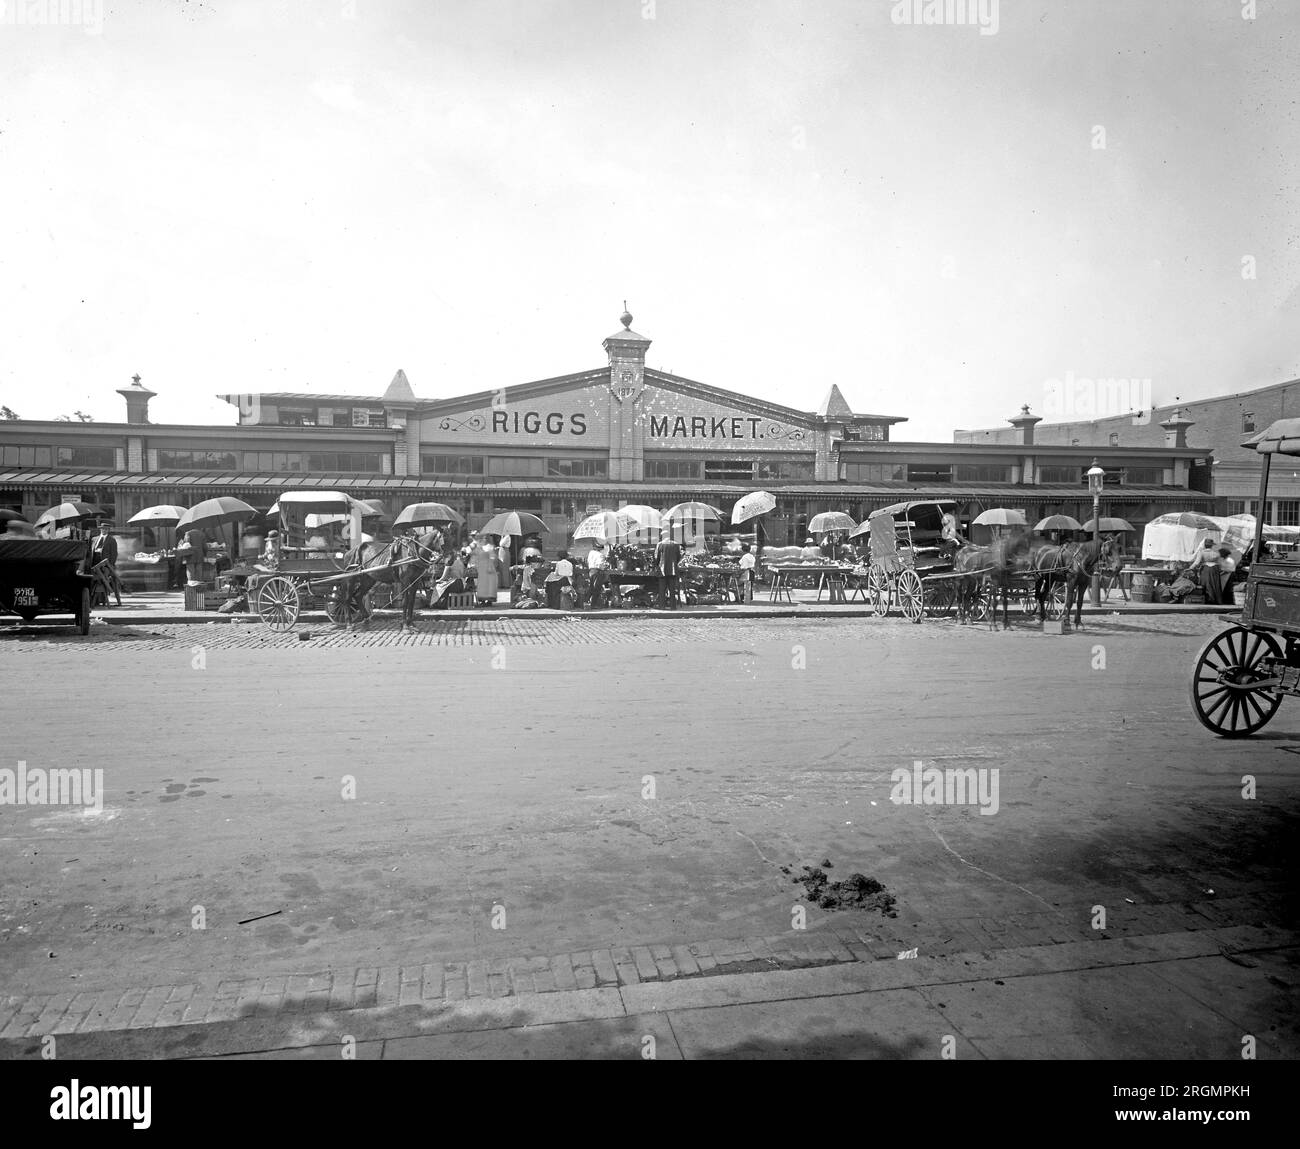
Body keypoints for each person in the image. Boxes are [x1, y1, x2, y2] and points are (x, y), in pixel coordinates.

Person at [1187, 538, 1223, 603]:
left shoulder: (1202, 552)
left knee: (1205, 584)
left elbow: (1197, 562)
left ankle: (1207, 600)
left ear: (1205, 545)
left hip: (1206, 569)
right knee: (1215, 584)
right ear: (1212, 545)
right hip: (1215, 569)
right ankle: (1216, 600)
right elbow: (1220, 563)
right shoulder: (1216, 553)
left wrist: (1190, 568)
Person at [655, 531, 683, 609]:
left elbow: (656, 557)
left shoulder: (659, 544)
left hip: (662, 570)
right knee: (672, 590)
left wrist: (656, 565)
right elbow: (678, 557)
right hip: (673, 570)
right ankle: (673, 607)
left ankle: (662, 606)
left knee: (662, 590)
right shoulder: (676, 544)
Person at [471, 540, 499, 606]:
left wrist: (490, 565)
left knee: (489, 584)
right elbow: (474, 557)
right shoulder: (477, 548)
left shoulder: (489, 547)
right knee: (482, 585)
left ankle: (489, 601)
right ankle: (482, 600)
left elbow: (493, 557)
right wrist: (473, 565)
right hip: (481, 569)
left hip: (488, 568)